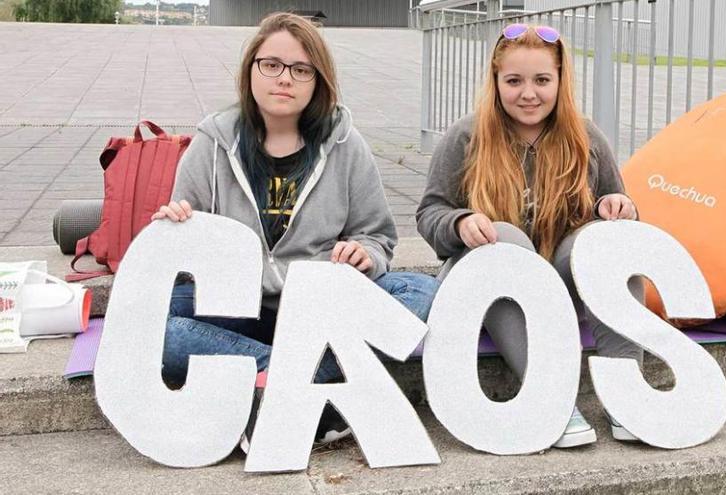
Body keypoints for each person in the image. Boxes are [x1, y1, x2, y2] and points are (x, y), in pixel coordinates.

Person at [151, 12, 439, 446]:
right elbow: (185, 256)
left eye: (301, 69)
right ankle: (312, 392)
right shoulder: (213, 144)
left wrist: (365, 253)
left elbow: (377, 236)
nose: (284, 79)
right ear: (250, 70)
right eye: (271, 65)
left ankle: (273, 390)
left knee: (420, 291)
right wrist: (176, 231)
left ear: (317, 80)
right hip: (237, 310)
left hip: (317, 313)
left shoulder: (345, 145)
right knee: (153, 324)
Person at [416, 23, 643, 448]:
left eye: (542, 80)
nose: (529, 93)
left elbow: (617, 200)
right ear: (496, 80)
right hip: (487, 287)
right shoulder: (467, 137)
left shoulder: (586, 137)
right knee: (506, 242)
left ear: (560, 80)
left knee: (604, 241)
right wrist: (460, 222)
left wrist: (616, 209)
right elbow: (430, 212)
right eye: (514, 81)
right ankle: (551, 399)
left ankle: (628, 394)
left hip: (556, 288)